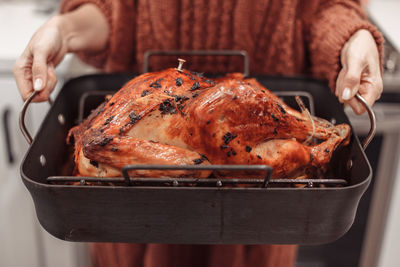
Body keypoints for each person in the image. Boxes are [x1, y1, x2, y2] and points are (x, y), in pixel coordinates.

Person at [13, 1, 383, 267]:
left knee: (216, 127)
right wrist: (63, 29)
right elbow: (112, 10)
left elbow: (324, 9)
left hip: (261, 214)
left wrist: (351, 39)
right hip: (131, 220)